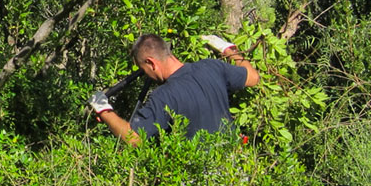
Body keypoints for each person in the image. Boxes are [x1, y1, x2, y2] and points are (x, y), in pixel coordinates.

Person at [89, 33, 259, 146]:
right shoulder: (212, 66)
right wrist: (229, 50)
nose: (146, 75)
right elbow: (253, 77)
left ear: (151, 63)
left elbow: (134, 138)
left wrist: (104, 110)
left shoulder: (164, 96)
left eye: (144, 69)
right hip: (234, 174)